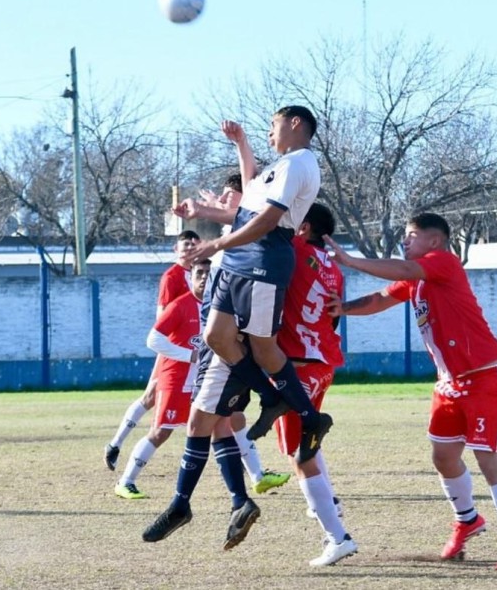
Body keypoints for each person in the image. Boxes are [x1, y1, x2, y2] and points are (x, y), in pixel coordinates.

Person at [142, 106, 330, 547]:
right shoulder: (278, 167)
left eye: (273, 125)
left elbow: (265, 221)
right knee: (214, 346)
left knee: (243, 370)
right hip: (241, 264)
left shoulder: (301, 162)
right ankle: (271, 405)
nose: (269, 133)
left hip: (261, 262)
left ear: (296, 124)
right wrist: (240, 146)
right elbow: (248, 203)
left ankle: (303, 416)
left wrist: (218, 242)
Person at [322, 213, 497, 571]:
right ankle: (467, 520)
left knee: (487, 459)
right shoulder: (418, 279)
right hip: (449, 382)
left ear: (434, 241)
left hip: (483, 376)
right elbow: (381, 298)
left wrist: (352, 260)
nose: (406, 242)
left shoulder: (443, 263)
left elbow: (401, 272)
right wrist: (345, 308)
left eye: (412, 236)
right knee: (443, 457)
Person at [176, 172, 292, 494]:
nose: (224, 199)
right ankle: (244, 494)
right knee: (221, 423)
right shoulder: (232, 236)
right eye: (223, 196)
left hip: (225, 346)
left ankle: (187, 502)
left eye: (231, 195)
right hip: (216, 343)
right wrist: (207, 212)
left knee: (204, 422)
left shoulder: (252, 236)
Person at [271, 202, 357, 566]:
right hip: (322, 364)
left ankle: (337, 536)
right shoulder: (334, 271)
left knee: (300, 455)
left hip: (300, 369)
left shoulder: (295, 248)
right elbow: (332, 316)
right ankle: (328, 501)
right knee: (305, 442)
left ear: (302, 227)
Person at [114, 257, 211, 499]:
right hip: (176, 379)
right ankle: (125, 481)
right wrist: (189, 356)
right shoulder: (180, 305)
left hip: (203, 381)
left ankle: (253, 478)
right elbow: (153, 340)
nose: (204, 278)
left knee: (225, 426)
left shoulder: (217, 307)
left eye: (208, 273)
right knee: (161, 432)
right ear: (190, 277)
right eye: (199, 273)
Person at [104, 230, 200, 471]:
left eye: (194, 244)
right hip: (175, 348)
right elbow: (163, 317)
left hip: (191, 348)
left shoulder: (199, 273)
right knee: (149, 398)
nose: (190, 248)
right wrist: (176, 348)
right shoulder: (172, 276)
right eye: (185, 244)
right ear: (175, 249)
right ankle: (115, 444)